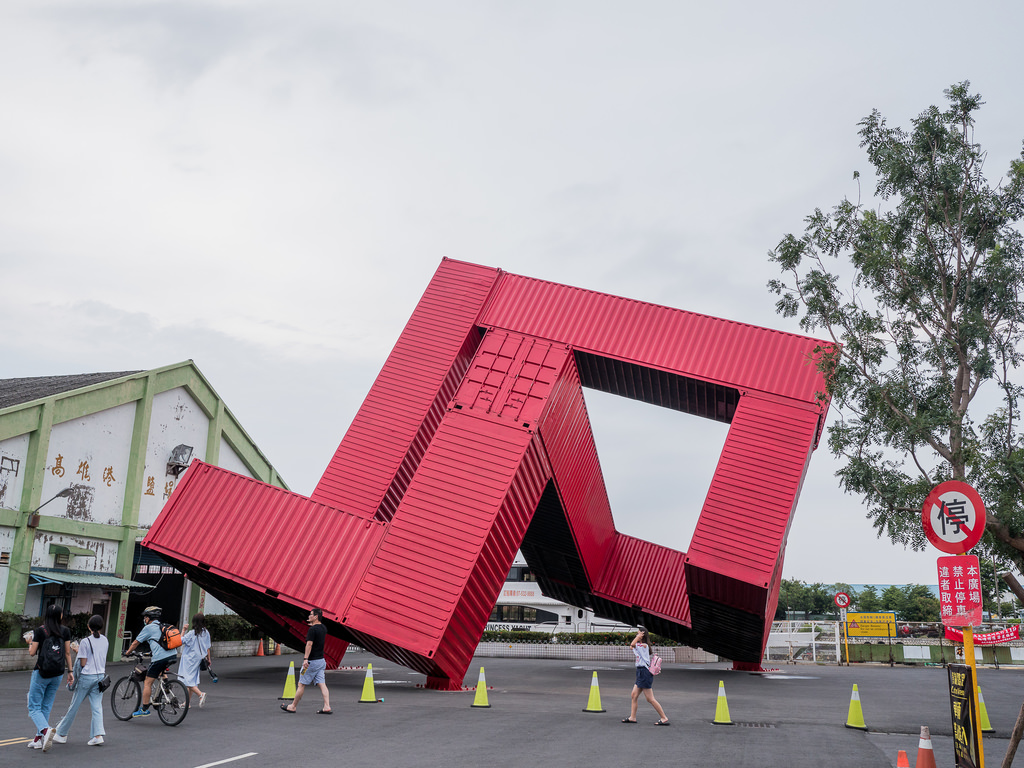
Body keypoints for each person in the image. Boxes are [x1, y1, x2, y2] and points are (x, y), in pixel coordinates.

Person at [44, 614, 108, 750]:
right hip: (100, 677)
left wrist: (78, 652)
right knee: (97, 707)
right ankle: (98, 736)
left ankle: (61, 734)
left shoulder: (85, 641)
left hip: (87, 677)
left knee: (74, 706)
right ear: (101, 626)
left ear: (89, 626)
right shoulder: (105, 640)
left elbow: (83, 663)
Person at [26, 603, 74, 749]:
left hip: (42, 672)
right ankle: (38, 739)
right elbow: (67, 653)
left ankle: (46, 731)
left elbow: (32, 652)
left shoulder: (40, 631)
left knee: (34, 707)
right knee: (46, 706)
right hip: (58, 673)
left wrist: (29, 642)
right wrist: (70, 672)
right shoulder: (65, 631)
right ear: (60, 616)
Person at [122, 606, 179, 718]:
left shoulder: (148, 628)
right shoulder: (162, 626)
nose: (144, 619)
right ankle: (166, 686)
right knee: (160, 670)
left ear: (148, 618)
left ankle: (144, 709)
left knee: (148, 682)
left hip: (160, 658)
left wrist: (128, 652)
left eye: (145, 617)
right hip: (172, 655)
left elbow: (135, 643)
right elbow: (159, 643)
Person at [281, 608, 331, 714]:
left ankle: (293, 706)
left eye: (311, 614)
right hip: (321, 661)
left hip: (311, 662)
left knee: (301, 684)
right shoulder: (323, 628)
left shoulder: (312, 630)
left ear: (316, 616)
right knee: (322, 684)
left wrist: (305, 659)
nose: (309, 616)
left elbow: (309, 644)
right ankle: (327, 706)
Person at [622, 625, 669, 725]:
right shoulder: (640, 646)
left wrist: (638, 637)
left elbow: (632, 644)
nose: (636, 634)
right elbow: (631, 646)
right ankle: (632, 717)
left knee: (650, 698)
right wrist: (638, 638)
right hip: (640, 672)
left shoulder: (644, 646)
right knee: (634, 695)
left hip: (644, 672)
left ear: (642, 635)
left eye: (638, 633)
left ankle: (663, 717)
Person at [179, 612, 212, 708]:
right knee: (192, 679)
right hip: (199, 658)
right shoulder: (206, 632)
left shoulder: (191, 633)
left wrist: (183, 630)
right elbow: (207, 647)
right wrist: (208, 658)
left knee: (187, 680)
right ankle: (187, 703)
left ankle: (200, 694)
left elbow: (180, 641)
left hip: (189, 659)